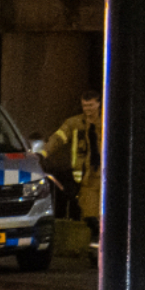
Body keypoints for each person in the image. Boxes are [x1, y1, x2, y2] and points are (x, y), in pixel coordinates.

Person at [42, 90, 101, 238]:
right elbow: (58, 138)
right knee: (89, 214)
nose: (87, 109)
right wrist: (42, 153)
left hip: (104, 175)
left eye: (90, 105)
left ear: (99, 104)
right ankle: (93, 247)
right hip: (86, 178)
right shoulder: (74, 123)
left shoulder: (109, 122)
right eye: (84, 105)